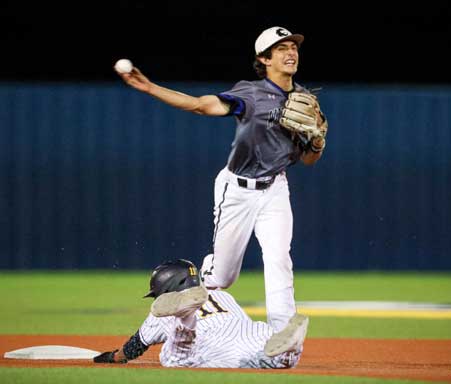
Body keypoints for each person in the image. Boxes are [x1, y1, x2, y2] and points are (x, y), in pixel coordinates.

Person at [115, 26, 327, 333]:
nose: (291, 52)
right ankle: (201, 282)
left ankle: (282, 335)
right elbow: (201, 105)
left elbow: (308, 160)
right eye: (281, 48)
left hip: (275, 188)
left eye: (293, 46)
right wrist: (150, 88)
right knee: (223, 278)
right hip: (237, 188)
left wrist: (317, 143)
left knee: (279, 258)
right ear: (264, 58)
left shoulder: (306, 100)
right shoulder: (250, 93)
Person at [93, 259, 309, 369]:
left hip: (210, 344)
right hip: (252, 333)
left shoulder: (163, 311)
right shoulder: (223, 296)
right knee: (267, 352)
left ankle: (186, 320)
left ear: (166, 290)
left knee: (172, 360)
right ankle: (288, 351)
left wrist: (113, 357)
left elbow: (134, 347)